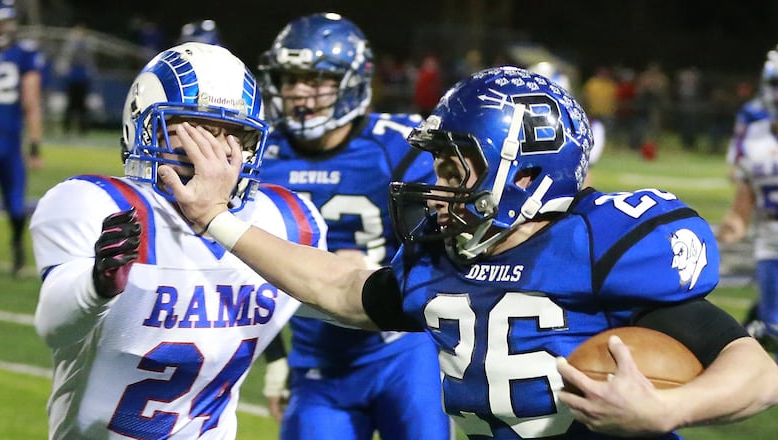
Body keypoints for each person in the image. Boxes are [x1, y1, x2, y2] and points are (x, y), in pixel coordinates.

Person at [163, 65, 778, 439]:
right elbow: (344, 290)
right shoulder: (443, 255)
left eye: (456, 165)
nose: (439, 183)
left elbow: (757, 372)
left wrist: (669, 408)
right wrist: (215, 217)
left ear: (526, 171)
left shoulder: (601, 242)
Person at [30, 42, 326, 439]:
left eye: (232, 133)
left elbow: (344, 298)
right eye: (194, 128)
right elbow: (55, 327)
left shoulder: (286, 220)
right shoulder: (97, 203)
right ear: (143, 126)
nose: (214, 149)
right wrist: (96, 285)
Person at [256, 12, 450, 439]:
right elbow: (243, 271)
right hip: (317, 359)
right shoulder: (261, 156)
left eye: (314, 78)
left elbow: (445, 249)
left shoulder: (397, 147)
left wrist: (378, 270)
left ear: (352, 81)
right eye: (289, 79)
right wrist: (275, 358)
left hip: (402, 351)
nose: (298, 93)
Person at [717, 48, 778, 355]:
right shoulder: (755, 138)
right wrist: (732, 225)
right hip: (770, 242)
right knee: (774, 330)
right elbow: (743, 204)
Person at [0, 0, 44, 286]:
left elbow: (31, 101)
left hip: (9, 140)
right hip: (0, 140)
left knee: (15, 205)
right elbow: (32, 103)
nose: (0, 28)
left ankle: (18, 249)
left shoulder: (24, 54)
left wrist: (34, 145)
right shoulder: (23, 53)